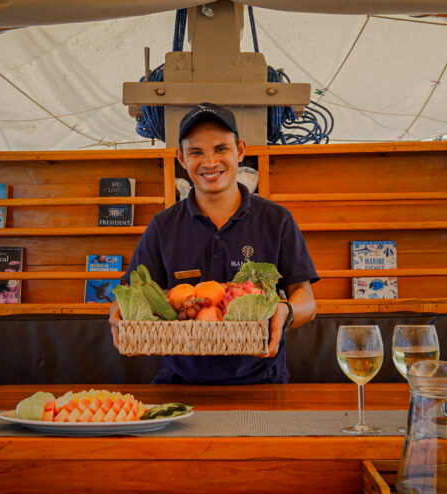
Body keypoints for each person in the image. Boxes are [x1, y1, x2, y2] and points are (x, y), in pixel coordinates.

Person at [109, 102, 318, 384]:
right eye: (196, 152)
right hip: (178, 383)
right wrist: (118, 313)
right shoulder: (163, 226)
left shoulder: (276, 220)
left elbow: (307, 300)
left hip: (262, 382)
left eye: (221, 148)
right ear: (180, 158)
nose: (209, 163)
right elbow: (130, 291)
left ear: (240, 150)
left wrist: (286, 310)